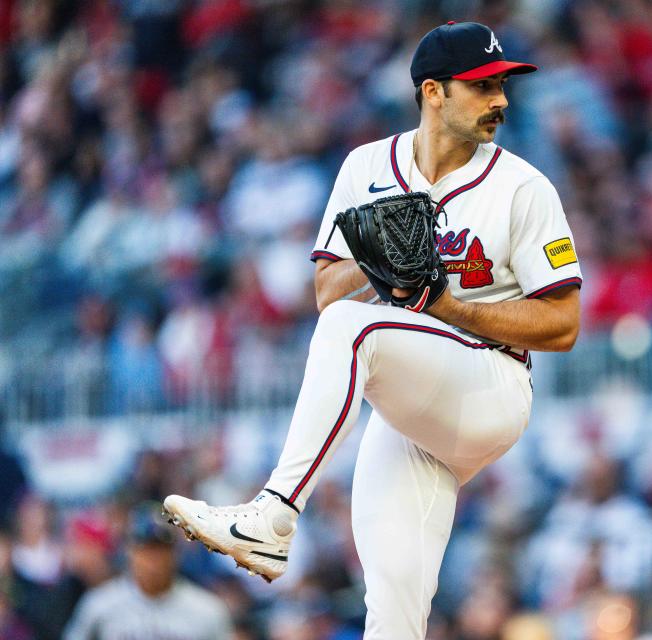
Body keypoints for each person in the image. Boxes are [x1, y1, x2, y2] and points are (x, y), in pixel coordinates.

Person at [163, 20, 582, 639]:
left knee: (355, 330)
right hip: (413, 404)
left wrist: (449, 305)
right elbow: (327, 293)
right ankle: (279, 527)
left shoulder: (523, 186)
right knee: (393, 610)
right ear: (433, 92)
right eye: (483, 86)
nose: (500, 100)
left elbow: (564, 322)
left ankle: (274, 516)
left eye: (502, 85)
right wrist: (376, 244)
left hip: (490, 383)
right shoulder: (367, 167)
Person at [63, 503, 232, 640]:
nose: (153, 560)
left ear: (175, 554)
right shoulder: (100, 606)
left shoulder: (206, 611)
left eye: (160, 550)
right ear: (130, 552)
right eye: (146, 550)